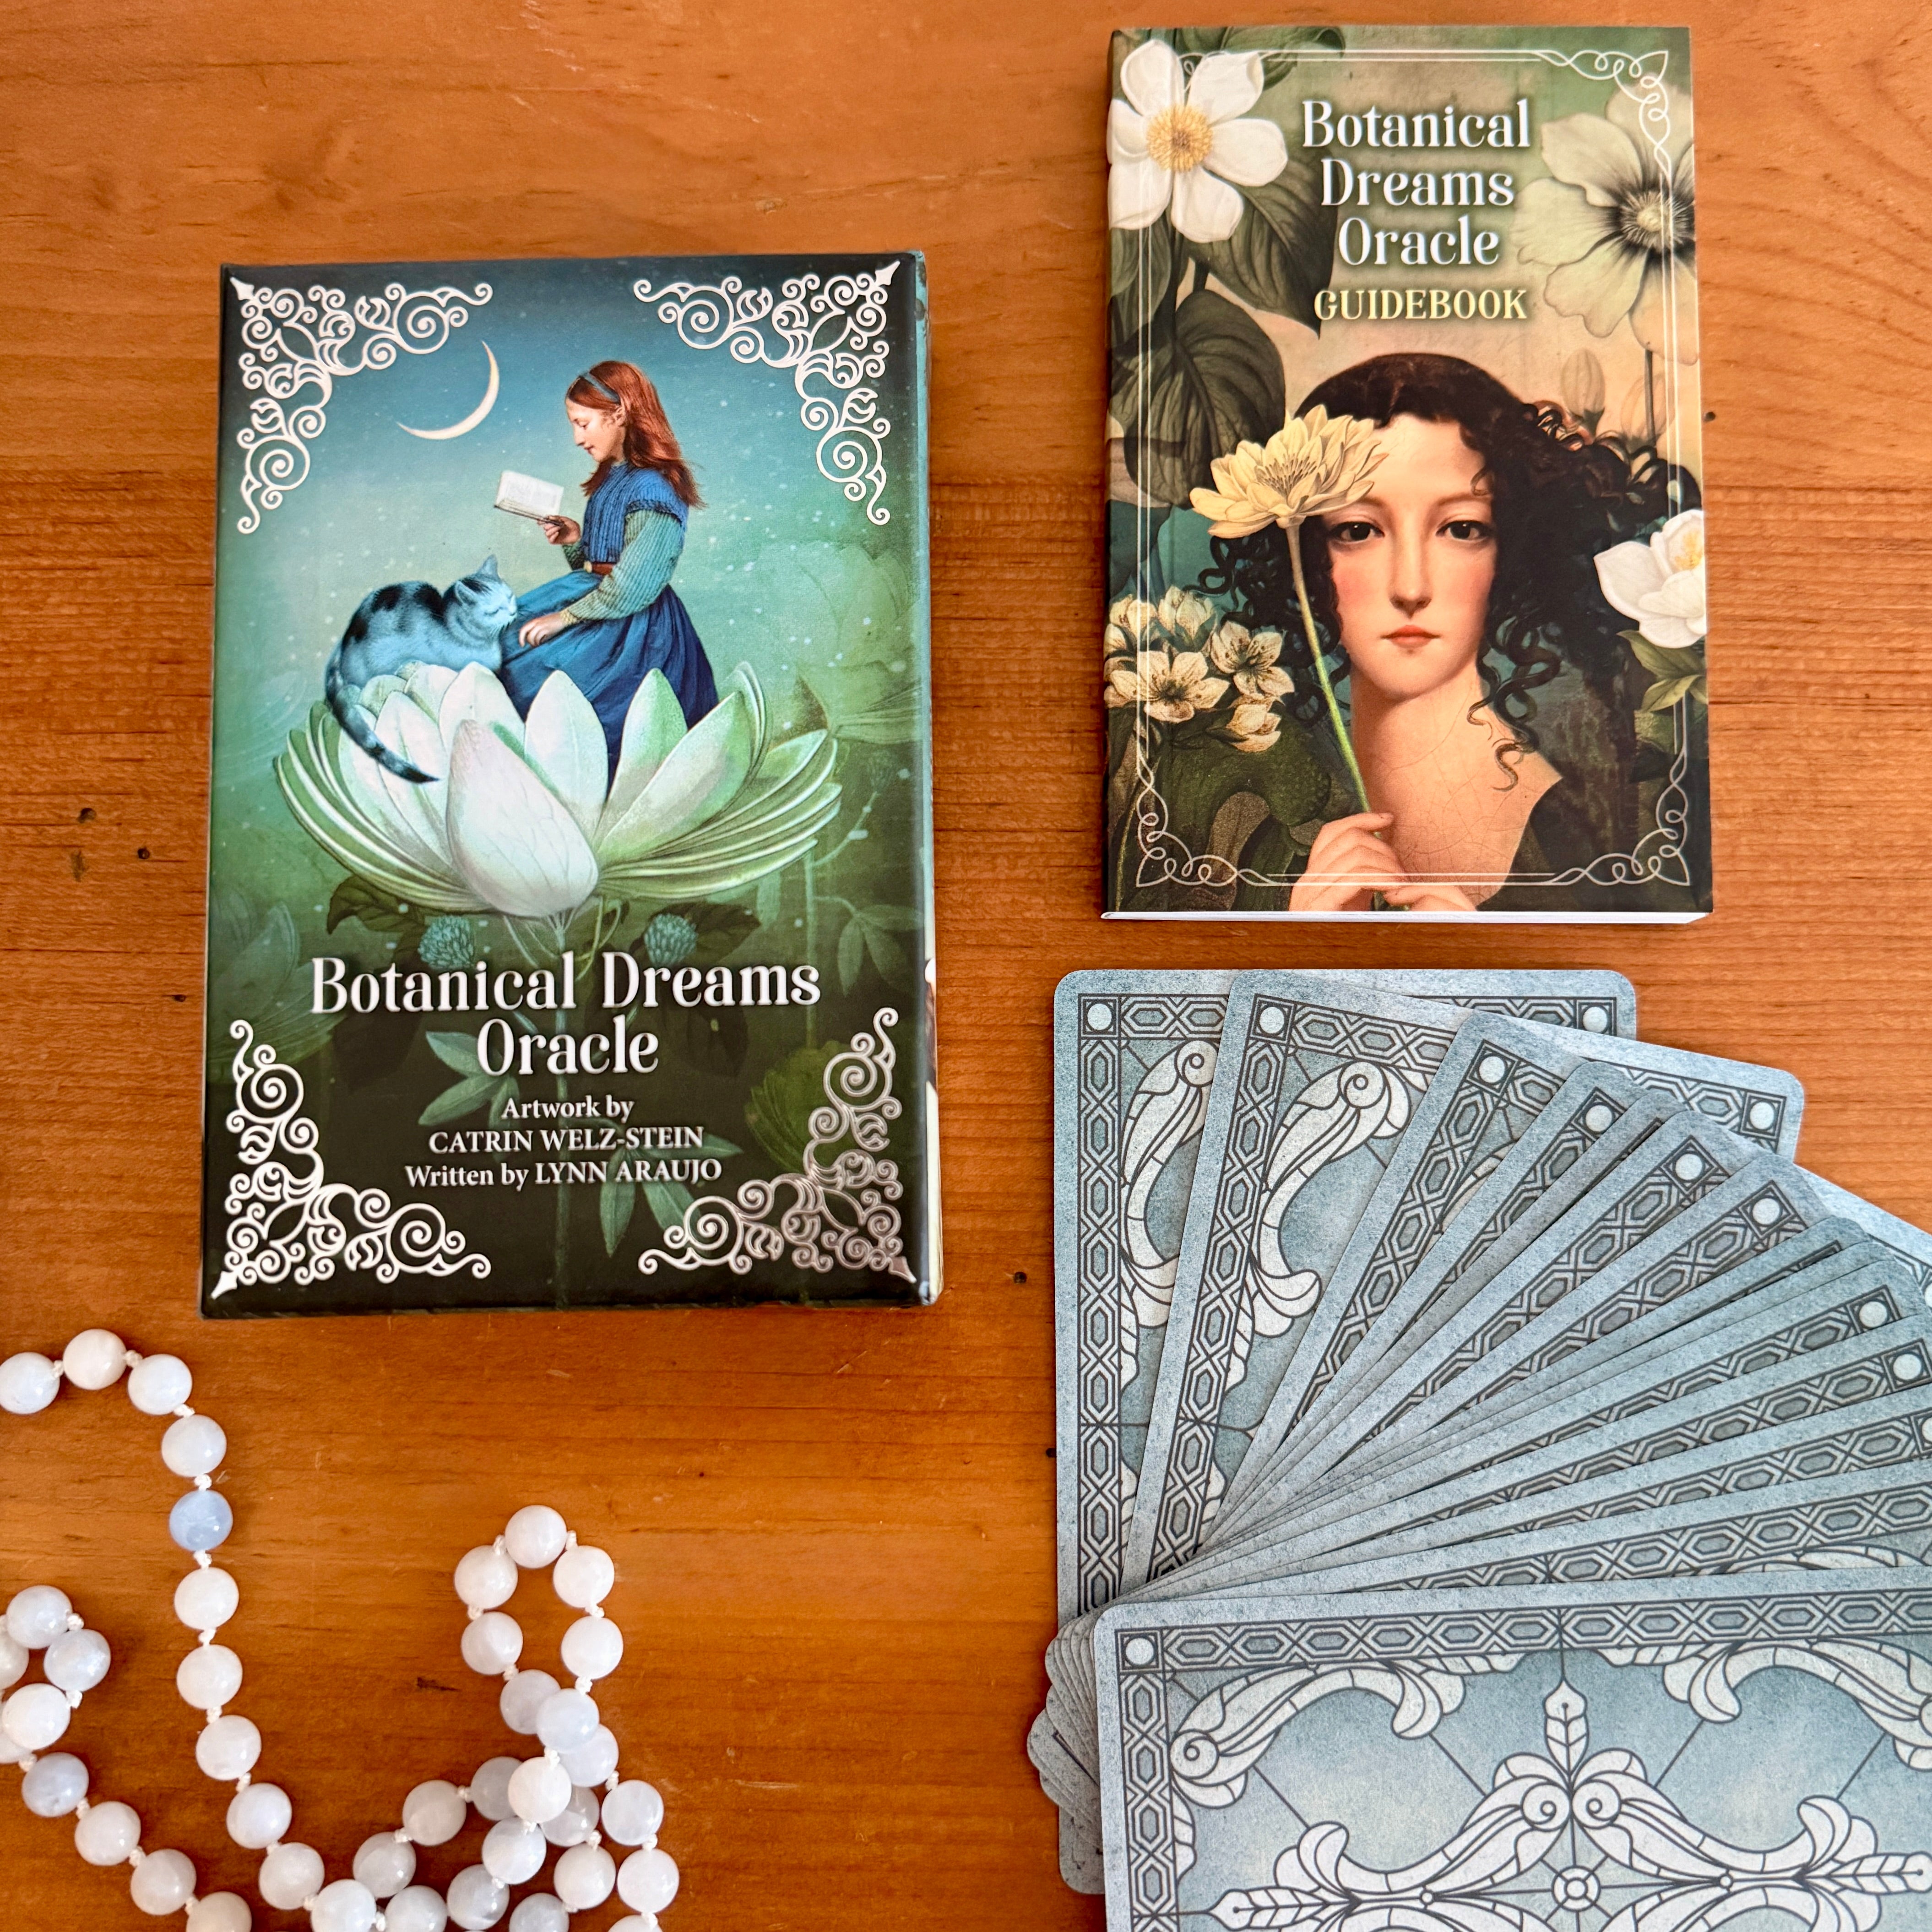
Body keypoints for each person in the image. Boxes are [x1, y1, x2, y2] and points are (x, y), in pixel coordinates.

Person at [1206, 353, 1667, 912]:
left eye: (1461, 528)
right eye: (1358, 530)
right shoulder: (1242, 812)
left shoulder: (1601, 826)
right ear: (1302, 552)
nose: (1410, 587)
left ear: (1509, 551)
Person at [501, 360, 718, 773]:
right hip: (599, 600)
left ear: (619, 414)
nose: (577, 438)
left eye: (583, 424)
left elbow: (634, 583)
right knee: (505, 645)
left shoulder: (654, 486)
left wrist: (563, 619)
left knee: (553, 689)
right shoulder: (614, 477)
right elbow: (602, 562)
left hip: (634, 629)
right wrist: (574, 541)